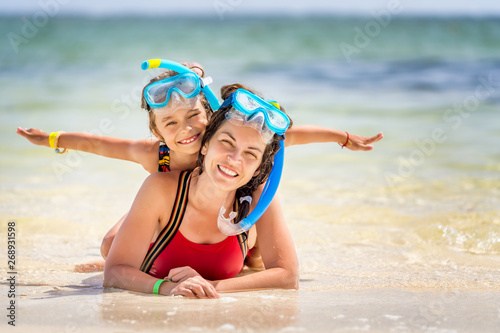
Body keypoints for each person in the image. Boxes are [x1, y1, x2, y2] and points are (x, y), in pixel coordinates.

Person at [16, 60, 384, 261]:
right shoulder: (156, 156)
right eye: (171, 124)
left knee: (250, 247)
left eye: (194, 117)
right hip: (171, 210)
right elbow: (98, 143)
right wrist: (51, 139)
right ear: (159, 133)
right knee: (110, 244)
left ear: (210, 114)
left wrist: (343, 137)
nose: (187, 129)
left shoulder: (225, 139)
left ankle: (241, 263)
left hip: (221, 218)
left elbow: (290, 136)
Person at [104, 86, 298, 297]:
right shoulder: (159, 189)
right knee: (109, 245)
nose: (234, 160)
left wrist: (206, 285)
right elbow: (114, 273)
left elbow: (287, 276)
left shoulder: (258, 197)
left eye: (250, 154)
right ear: (205, 144)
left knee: (256, 260)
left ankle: (253, 255)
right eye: (226, 142)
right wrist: (167, 287)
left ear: (258, 168)